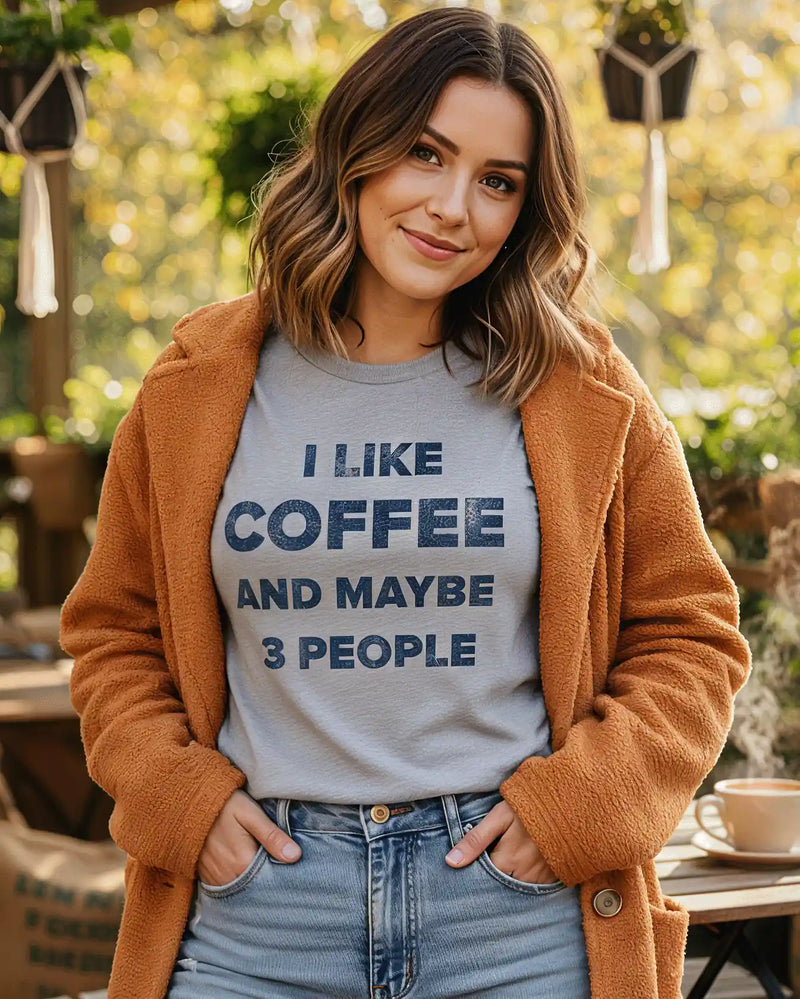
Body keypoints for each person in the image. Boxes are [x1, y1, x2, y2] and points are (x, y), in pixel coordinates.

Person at [59, 7, 752, 999]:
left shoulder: (582, 389)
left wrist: (576, 810)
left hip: (512, 919)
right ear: (356, 147)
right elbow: (113, 635)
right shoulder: (197, 384)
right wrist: (181, 803)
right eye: (425, 154)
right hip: (259, 915)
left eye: (497, 181)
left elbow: (691, 637)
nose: (452, 207)